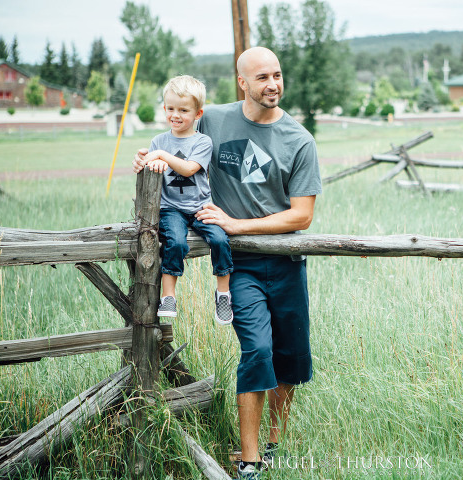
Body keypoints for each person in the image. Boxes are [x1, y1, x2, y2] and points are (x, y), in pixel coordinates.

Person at [133, 48, 321, 479]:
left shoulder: (299, 140)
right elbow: (174, 135)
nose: (272, 84)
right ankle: (250, 460)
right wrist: (148, 159)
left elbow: (302, 215)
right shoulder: (214, 120)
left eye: (277, 75)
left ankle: (275, 442)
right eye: (262, 77)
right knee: (256, 350)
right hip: (241, 267)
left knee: (289, 359)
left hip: (287, 262)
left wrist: (236, 224)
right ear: (242, 83)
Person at [134, 75, 234, 326]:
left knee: (220, 239)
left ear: (198, 113)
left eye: (183, 110)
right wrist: (150, 161)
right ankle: (169, 296)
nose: (175, 115)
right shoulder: (159, 141)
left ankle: (223, 293)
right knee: (175, 242)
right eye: (170, 109)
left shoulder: (202, 141)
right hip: (171, 209)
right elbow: (152, 164)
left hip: (201, 206)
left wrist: (162, 156)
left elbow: (189, 169)